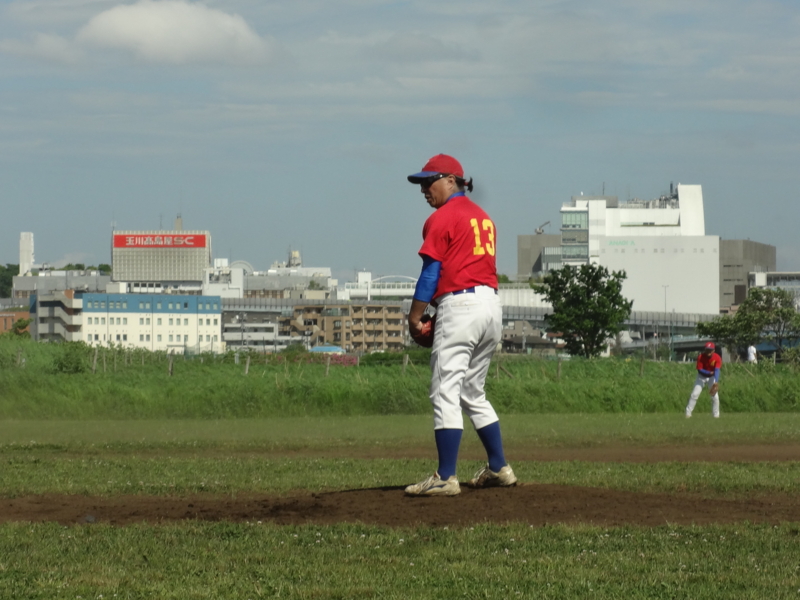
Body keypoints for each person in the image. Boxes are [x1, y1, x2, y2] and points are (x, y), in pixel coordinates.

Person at [403, 153, 517, 496]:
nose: (424, 189)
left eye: (429, 180)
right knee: (471, 391)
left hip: (462, 305)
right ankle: (499, 467)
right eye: (422, 183)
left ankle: (444, 476)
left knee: (444, 389)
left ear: (451, 179)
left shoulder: (443, 217)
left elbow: (432, 272)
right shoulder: (483, 218)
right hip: (491, 306)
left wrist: (415, 316)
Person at [685, 341, 722, 418]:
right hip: (701, 377)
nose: (708, 351)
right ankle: (688, 413)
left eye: (710, 350)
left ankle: (716, 415)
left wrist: (716, 381)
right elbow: (700, 369)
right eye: (707, 349)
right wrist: (709, 373)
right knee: (694, 394)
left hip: (712, 377)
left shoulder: (717, 357)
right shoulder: (701, 357)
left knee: (715, 396)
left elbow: (717, 370)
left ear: (713, 350)